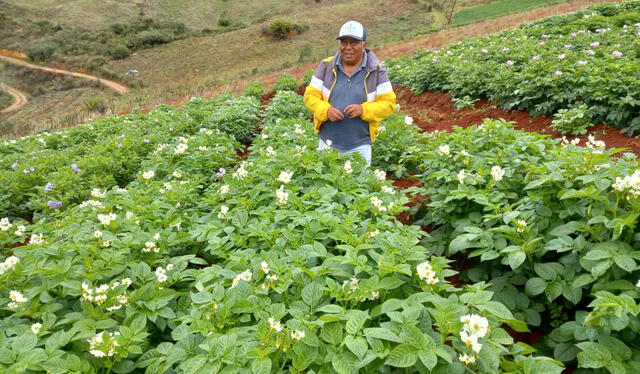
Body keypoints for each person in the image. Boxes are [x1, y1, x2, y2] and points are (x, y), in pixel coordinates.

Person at [303, 20, 396, 167]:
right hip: (327, 143)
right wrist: (326, 110)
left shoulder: (377, 71)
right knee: (325, 186)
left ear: (364, 45)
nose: (348, 48)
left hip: (360, 146)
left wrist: (363, 110)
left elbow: (389, 104)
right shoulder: (326, 66)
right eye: (343, 42)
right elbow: (310, 96)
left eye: (354, 42)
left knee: (359, 187)